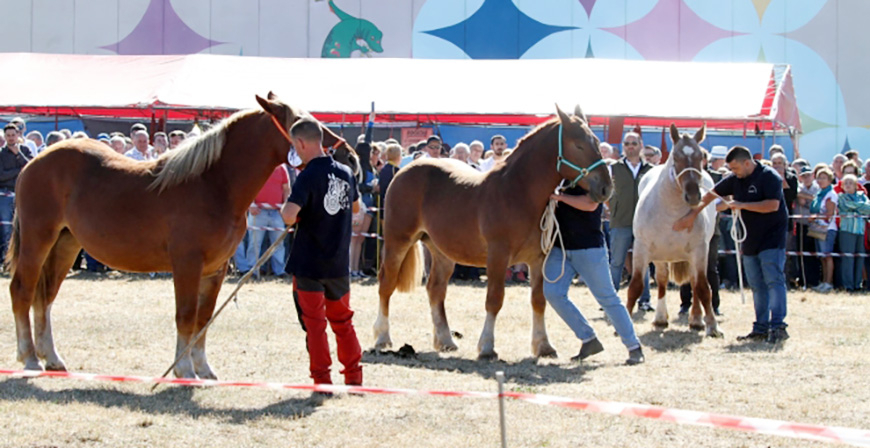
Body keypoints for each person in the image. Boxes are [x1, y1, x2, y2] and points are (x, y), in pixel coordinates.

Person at [674, 146, 790, 344]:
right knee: (756, 284)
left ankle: (778, 326)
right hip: (750, 240)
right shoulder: (736, 179)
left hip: (772, 238)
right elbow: (710, 195)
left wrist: (740, 205)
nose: (733, 172)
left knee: (773, 281)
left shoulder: (769, 177)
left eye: (735, 168)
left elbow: (773, 205)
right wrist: (692, 215)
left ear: (747, 163)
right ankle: (761, 327)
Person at [281, 118, 363, 387]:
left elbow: (289, 216)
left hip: (309, 263)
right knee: (343, 322)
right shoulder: (345, 171)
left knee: (315, 325)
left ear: (301, 143)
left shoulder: (307, 175)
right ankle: (354, 378)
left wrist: (292, 209)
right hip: (337, 263)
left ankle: (322, 380)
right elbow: (355, 209)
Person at [544, 185, 645, 365]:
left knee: (607, 298)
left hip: (589, 248)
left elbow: (590, 204)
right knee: (552, 293)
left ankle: (634, 347)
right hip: (560, 248)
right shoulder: (559, 179)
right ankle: (588, 339)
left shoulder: (593, 177)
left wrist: (559, 197)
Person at [609, 132, 653, 311]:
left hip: (645, 223)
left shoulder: (651, 169)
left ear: (640, 145)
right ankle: (610, 301)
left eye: (634, 143)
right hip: (621, 221)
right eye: (626, 143)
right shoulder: (613, 168)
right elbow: (607, 193)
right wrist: (613, 208)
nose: (630, 146)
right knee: (617, 261)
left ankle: (645, 300)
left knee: (642, 262)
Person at [679, 149, 723, 316]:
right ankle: (685, 303)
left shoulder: (717, 179)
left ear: (704, 161)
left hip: (710, 229)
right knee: (684, 265)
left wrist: (706, 209)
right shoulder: (684, 179)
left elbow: (726, 202)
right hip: (688, 229)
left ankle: (714, 304)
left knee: (709, 268)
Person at [244, 165, 291, 277]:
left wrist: (285, 206)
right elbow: (247, 186)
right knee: (254, 243)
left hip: (277, 212)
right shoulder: (256, 167)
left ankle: (279, 271)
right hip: (258, 212)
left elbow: (286, 189)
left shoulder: (282, 169)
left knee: (278, 243)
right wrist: (251, 204)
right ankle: (252, 271)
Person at [0, 123, 32, 256]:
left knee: (25, 227)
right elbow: (1, 176)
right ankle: (7, 258)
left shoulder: (25, 151)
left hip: (24, 194)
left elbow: (30, 167)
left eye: (13, 135)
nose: (11, 138)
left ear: (18, 135)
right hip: (5, 194)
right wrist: (19, 170)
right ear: (5, 137)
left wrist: (18, 155)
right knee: (7, 227)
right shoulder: (1, 154)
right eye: (8, 136)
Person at [836, 174, 870, 291]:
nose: (848, 185)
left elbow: (868, 208)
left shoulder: (863, 196)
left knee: (859, 257)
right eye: (846, 183)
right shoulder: (841, 197)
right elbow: (845, 205)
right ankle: (848, 285)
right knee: (848, 258)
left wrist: (855, 207)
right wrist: (860, 207)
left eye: (851, 183)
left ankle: (857, 284)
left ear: (856, 185)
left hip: (860, 230)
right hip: (847, 230)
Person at [811, 168, 838, 293]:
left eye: (823, 178)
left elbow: (829, 214)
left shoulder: (831, 194)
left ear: (830, 179)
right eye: (819, 178)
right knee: (821, 256)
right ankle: (823, 281)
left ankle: (828, 282)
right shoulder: (819, 193)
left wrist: (816, 217)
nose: (820, 180)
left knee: (827, 256)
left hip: (828, 229)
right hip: (817, 228)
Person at [794, 166, 821, 288]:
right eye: (804, 176)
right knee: (803, 252)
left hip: (816, 224)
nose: (806, 178)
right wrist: (811, 197)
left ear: (813, 176)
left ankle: (814, 280)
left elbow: (817, 202)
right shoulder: (799, 187)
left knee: (814, 253)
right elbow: (801, 200)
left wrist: (807, 197)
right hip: (802, 224)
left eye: (808, 175)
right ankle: (804, 280)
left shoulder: (818, 187)